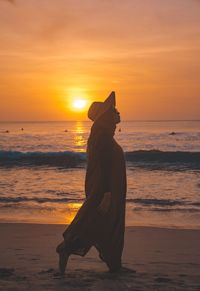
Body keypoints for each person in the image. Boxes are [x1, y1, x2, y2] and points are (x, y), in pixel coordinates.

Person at [56, 91, 127, 274]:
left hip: (110, 191)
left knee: (105, 226)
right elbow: (102, 169)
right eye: (114, 111)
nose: (118, 113)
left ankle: (114, 264)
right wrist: (107, 195)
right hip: (106, 192)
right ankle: (66, 246)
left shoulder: (103, 135)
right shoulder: (102, 138)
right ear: (105, 116)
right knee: (95, 222)